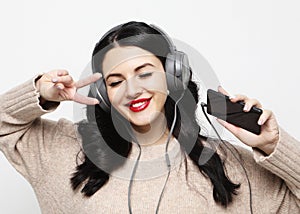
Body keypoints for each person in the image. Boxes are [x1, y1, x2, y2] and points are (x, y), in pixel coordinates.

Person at [0, 21, 299, 214]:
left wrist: (275, 144)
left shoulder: (230, 165)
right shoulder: (63, 148)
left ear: (173, 76)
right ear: (104, 93)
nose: (132, 90)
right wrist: (39, 92)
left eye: (144, 74)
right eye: (116, 82)